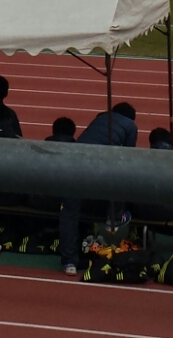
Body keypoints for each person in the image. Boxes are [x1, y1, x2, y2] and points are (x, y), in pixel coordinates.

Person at [58, 102, 139, 273]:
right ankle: (114, 218)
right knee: (121, 175)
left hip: (74, 162)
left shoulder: (100, 118)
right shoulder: (130, 125)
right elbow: (128, 156)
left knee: (69, 214)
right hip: (99, 166)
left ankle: (69, 263)